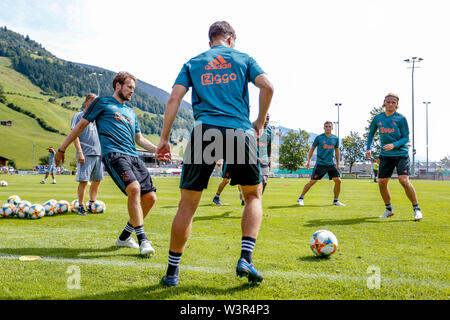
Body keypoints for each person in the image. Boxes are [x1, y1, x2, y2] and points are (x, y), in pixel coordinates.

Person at [156, 21, 274, 287]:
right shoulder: (243, 58)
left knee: (187, 204)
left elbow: (174, 98)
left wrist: (164, 139)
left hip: (204, 130)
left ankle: (172, 273)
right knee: (253, 195)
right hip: (239, 131)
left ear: (211, 41)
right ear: (231, 38)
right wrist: (260, 121)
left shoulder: (194, 62)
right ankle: (246, 258)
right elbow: (267, 86)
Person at [55, 72, 158, 255]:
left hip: (133, 156)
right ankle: (143, 240)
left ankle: (125, 237)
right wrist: (62, 149)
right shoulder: (101, 103)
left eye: (133, 89)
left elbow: (139, 139)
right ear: (118, 85)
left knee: (150, 198)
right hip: (114, 155)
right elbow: (80, 126)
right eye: (129, 87)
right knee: (133, 189)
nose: (132, 92)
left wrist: (158, 151)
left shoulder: (131, 112)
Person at [366, 93, 423, 221]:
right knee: (381, 183)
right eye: (388, 102)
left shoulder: (401, 119)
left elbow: (406, 138)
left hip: (401, 154)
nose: (390, 104)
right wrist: (368, 148)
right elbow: (370, 134)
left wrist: (394, 145)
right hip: (385, 156)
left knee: (403, 180)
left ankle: (417, 209)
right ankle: (389, 209)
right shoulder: (377, 118)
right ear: (384, 103)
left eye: (393, 102)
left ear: (397, 105)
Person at [297, 121, 345, 207]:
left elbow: (337, 152)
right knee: (313, 181)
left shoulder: (335, 139)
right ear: (324, 128)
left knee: (338, 181)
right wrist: (309, 161)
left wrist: (337, 164)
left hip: (331, 164)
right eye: (326, 126)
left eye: (329, 126)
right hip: (320, 164)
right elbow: (312, 149)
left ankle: (336, 200)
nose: (328, 128)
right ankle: (300, 198)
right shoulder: (319, 138)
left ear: (332, 128)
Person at [71, 93, 103, 216]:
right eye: (93, 101)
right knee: (84, 181)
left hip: (98, 154)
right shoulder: (79, 116)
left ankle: (92, 203)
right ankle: (80, 206)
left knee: (97, 180)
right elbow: (74, 135)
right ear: (86, 102)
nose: (95, 104)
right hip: (86, 154)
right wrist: (80, 152)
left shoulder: (97, 118)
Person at [257, 113, 273, 194]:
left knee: (264, 182)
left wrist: (269, 161)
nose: (267, 121)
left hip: (264, 160)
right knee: (252, 183)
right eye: (265, 118)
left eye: (268, 119)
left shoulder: (270, 131)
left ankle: (258, 200)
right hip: (253, 159)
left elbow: (269, 147)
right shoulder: (254, 128)